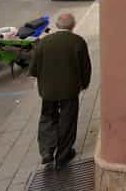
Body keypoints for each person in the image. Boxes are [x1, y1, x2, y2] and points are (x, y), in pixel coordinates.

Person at [29, 13, 92, 170]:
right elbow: (85, 67)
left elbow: (34, 69)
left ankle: (47, 151)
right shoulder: (78, 42)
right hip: (69, 90)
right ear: (73, 25)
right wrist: (84, 83)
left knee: (47, 118)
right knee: (68, 120)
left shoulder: (43, 42)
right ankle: (63, 155)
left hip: (48, 90)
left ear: (56, 25)